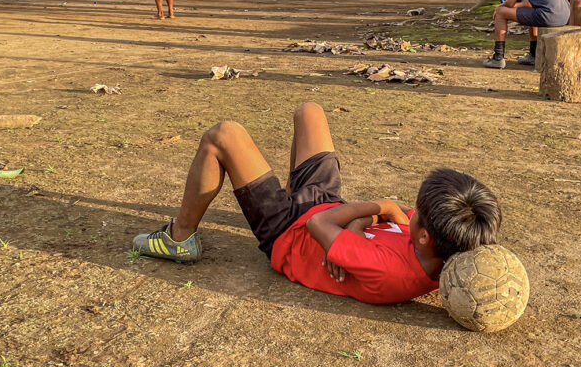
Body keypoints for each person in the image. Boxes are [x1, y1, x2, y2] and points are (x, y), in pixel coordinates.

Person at [131, 102, 500, 305]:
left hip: (288, 232)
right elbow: (390, 215)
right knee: (310, 111)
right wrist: (360, 222)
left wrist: (374, 207)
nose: (410, 210)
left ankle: (179, 238)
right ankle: (291, 188)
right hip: (325, 207)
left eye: (416, 211)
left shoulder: (391, 271)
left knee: (223, 135)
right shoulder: (443, 244)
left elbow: (322, 226)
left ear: (422, 237)